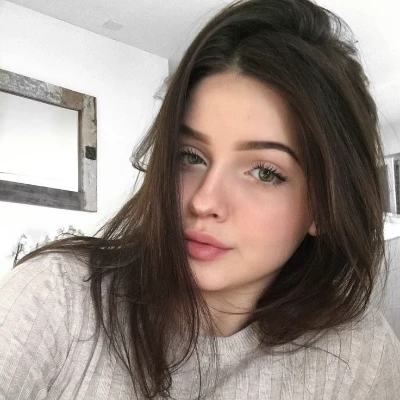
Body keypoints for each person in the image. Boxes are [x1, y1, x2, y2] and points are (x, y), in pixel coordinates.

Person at [1, 0, 399, 398]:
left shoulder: (356, 357)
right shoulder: (57, 297)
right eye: (190, 156)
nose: (204, 201)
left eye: (265, 172)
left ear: (324, 207)